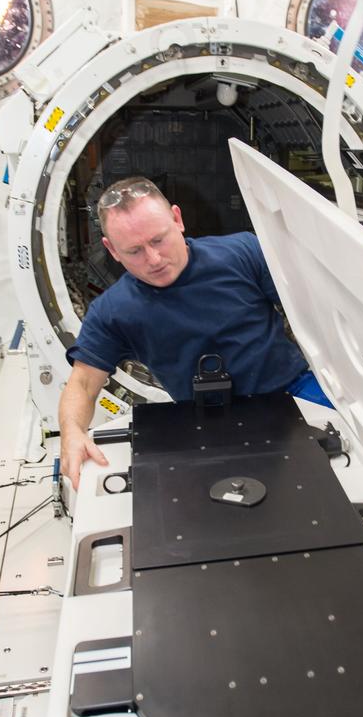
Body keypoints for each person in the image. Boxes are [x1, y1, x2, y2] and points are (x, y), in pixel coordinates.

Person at [58, 176, 324, 487]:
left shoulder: (243, 253)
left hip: (294, 391)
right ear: (112, 250)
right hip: (204, 419)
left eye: (158, 240)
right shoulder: (113, 311)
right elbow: (82, 383)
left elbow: (315, 314)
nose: (153, 259)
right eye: (134, 251)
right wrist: (72, 432)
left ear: (177, 219)